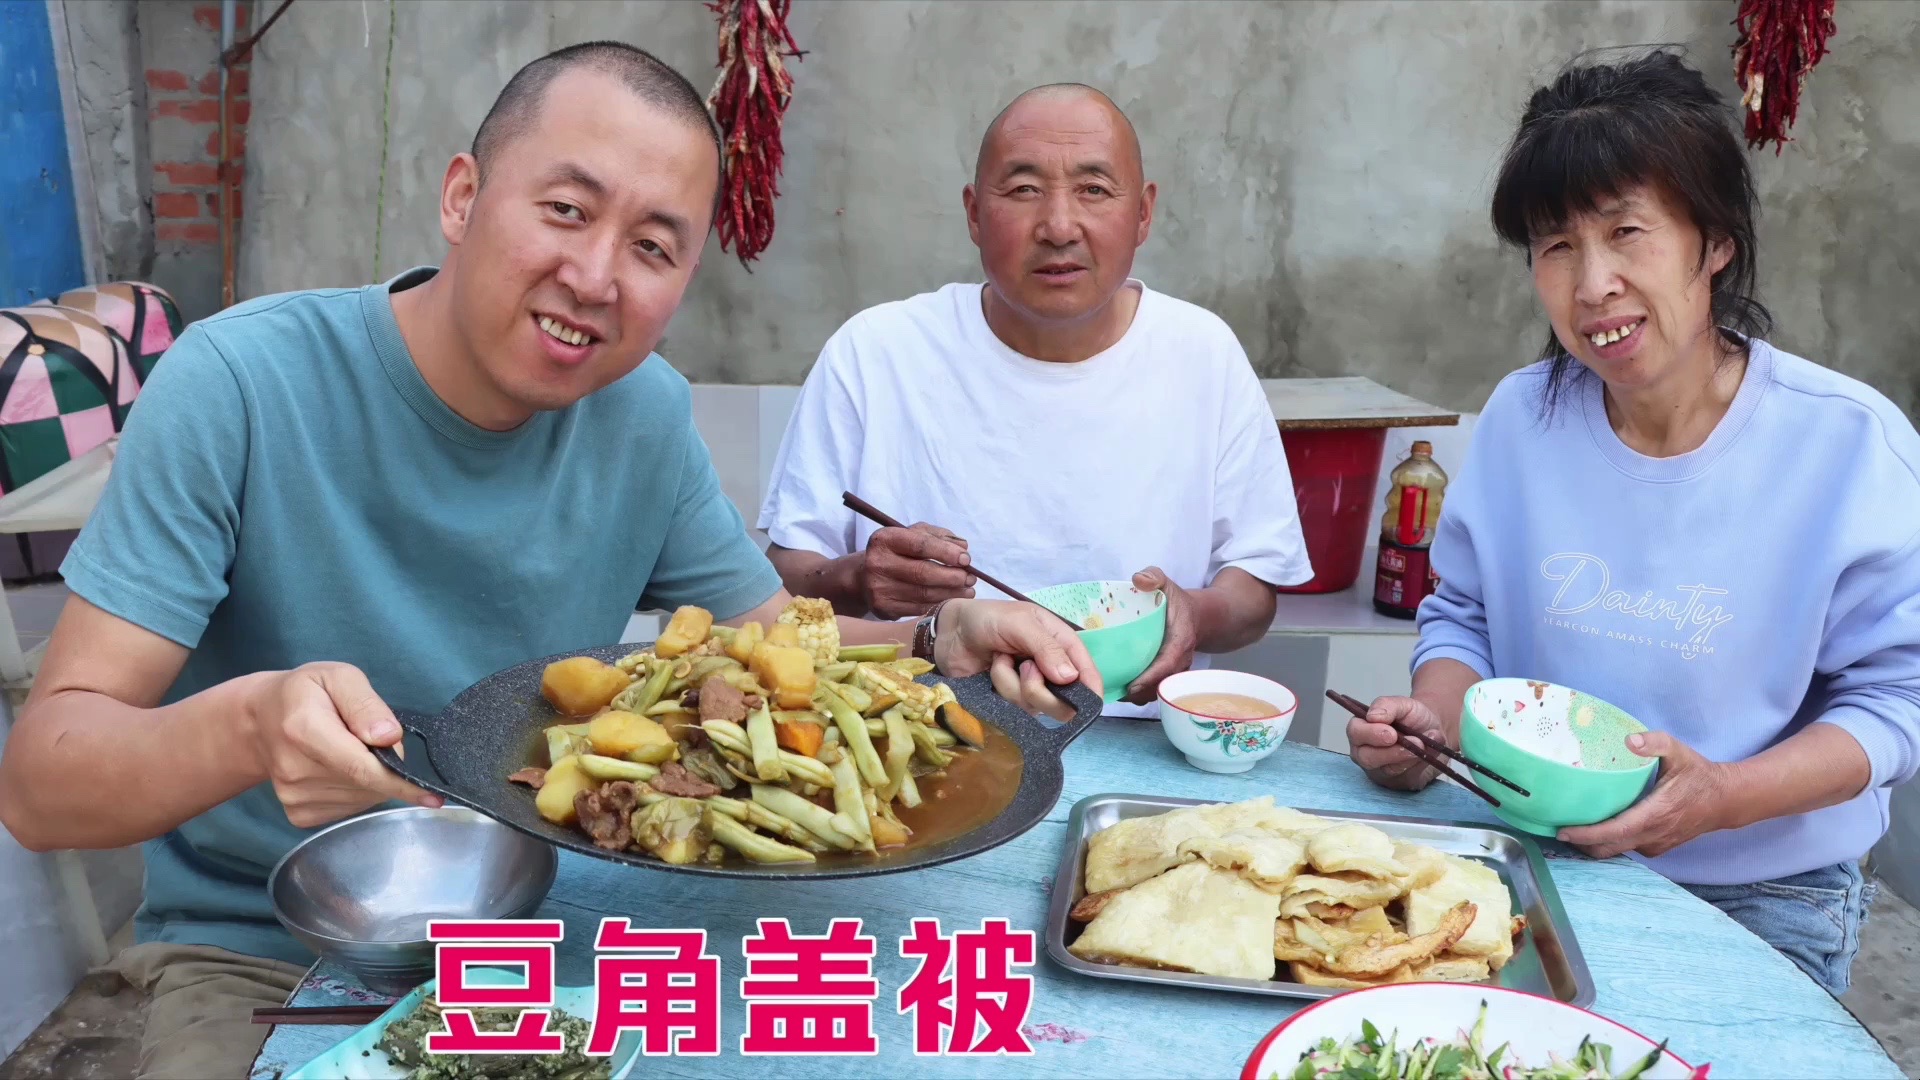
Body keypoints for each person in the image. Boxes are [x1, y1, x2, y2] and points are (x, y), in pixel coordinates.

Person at [0, 43, 1098, 1080]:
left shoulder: (644, 416)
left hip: (560, 921)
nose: (596, 274)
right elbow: (43, 783)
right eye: (566, 210)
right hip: (269, 946)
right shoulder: (238, 386)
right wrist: (248, 726)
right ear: (463, 197)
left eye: (654, 247)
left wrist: (934, 640)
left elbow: (775, 648)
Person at [1346, 49, 1920, 999]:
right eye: (1557, 246)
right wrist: (1432, 727)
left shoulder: (1850, 448)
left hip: (1763, 891)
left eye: (1628, 233)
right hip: (1529, 851)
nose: (1593, 284)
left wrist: (1722, 798)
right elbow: (1465, 618)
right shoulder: (1521, 422)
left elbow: (1899, 702)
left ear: (1716, 240)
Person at [755, 83, 1313, 716]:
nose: (1058, 226)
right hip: (914, 738)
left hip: (1137, 735)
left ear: (1144, 213)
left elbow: (1255, 585)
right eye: (1023, 190)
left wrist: (1194, 613)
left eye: (1094, 190)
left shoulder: (1202, 352)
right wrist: (860, 577)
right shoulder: (876, 352)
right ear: (972, 213)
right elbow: (782, 579)